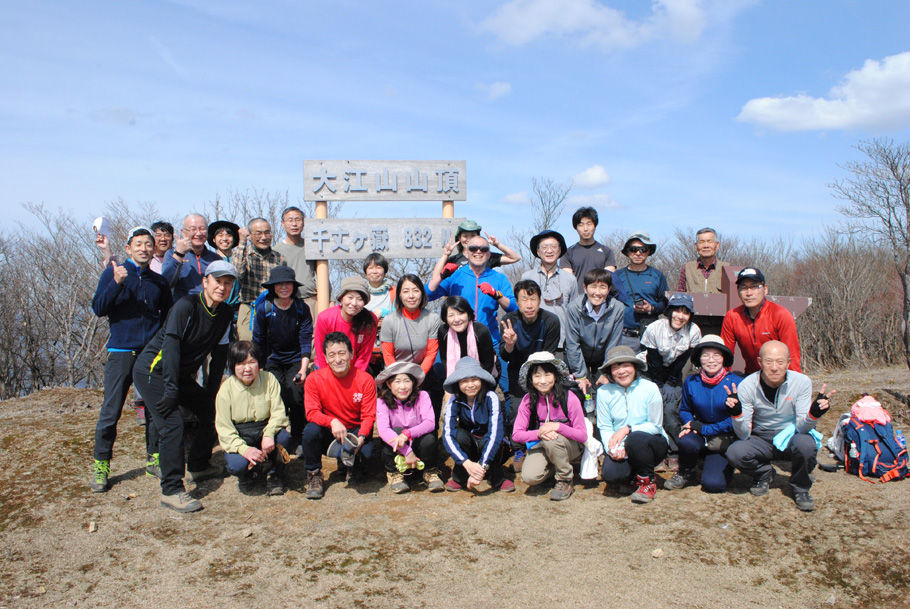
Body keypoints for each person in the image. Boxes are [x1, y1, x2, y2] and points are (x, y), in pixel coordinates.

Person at [133, 260, 237, 513]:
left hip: (178, 374)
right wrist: (170, 391)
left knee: (209, 410)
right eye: (217, 282)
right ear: (205, 282)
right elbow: (169, 349)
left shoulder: (224, 314)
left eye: (227, 283)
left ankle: (199, 465)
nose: (222, 288)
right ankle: (171, 489)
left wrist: (212, 395)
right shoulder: (186, 306)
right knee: (172, 424)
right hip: (152, 371)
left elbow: (220, 355)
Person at [89, 227, 172, 492]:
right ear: (128, 248)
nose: (144, 249)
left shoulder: (158, 282)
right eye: (138, 244)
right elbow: (99, 308)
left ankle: (154, 458)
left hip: (149, 353)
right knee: (111, 410)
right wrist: (115, 282)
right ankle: (101, 464)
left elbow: (168, 317)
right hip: (121, 351)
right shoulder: (114, 273)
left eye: (148, 244)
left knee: (153, 408)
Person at [724, 341, 832, 511]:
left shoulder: (802, 382)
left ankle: (800, 488)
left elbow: (803, 428)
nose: (774, 367)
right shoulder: (747, 385)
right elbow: (744, 435)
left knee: (806, 444)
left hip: (791, 435)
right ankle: (764, 473)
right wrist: (737, 415)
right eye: (769, 362)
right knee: (735, 452)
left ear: (788, 363)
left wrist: (814, 414)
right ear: (759, 362)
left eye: (780, 362)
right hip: (761, 437)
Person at [428, 234, 517, 398]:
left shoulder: (498, 278)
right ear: (466, 253)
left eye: (483, 249)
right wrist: (444, 259)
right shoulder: (456, 275)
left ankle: (500, 421)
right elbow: (429, 293)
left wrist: (496, 294)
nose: (478, 252)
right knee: (440, 377)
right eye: (473, 249)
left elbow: (513, 307)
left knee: (503, 384)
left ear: (489, 254)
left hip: (490, 339)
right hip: (457, 339)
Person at [302, 332, 377, 500]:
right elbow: (311, 412)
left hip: (354, 431)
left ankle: (350, 465)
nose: (338, 359)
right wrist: (332, 421)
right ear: (326, 358)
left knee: (368, 453)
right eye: (332, 355)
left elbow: (369, 415)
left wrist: (362, 437)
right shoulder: (314, 379)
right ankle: (314, 474)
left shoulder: (365, 379)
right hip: (330, 431)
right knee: (310, 431)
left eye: (342, 353)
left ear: (351, 354)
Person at [664, 335, 742, 493]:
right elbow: (686, 409)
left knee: (713, 485)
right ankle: (686, 471)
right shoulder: (692, 381)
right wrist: (690, 423)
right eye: (705, 355)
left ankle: (718, 466)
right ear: (699, 359)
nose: (711, 360)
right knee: (686, 442)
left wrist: (706, 429)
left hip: (723, 436)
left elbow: (737, 419)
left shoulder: (736, 382)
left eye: (716, 355)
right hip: (699, 432)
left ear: (724, 358)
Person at [215, 341, 293, 496]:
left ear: (259, 363)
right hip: (241, 434)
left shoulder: (269, 379)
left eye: (252, 362)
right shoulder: (226, 390)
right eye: (241, 364)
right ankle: (247, 474)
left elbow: (278, 412)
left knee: (284, 438)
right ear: (233, 366)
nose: (247, 369)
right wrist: (245, 449)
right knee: (236, 464)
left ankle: (274, 473)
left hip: (265, 428)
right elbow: (224, 428)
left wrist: (269, 434)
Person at [252, 265, 313, 454]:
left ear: (294, 286)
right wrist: (260, 368)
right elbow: (258, 341)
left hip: (296, 359)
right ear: (273, 286)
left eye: (288, 283)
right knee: (276, 395)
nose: (284, 287)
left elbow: (305, 340)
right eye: (279, 284)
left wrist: (303, 369)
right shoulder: (265, 309)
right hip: (272, 360)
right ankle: (276, 438)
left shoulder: (301, 308)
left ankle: (299, 438)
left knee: (296, 394)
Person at [597, 346, 668, 504]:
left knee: (635, 439)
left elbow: (655, 425)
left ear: (635, 367)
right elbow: (605, 426)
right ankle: (633, 476)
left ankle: (647, 482)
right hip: (622, 446)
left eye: (626, 365)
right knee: (611, 475)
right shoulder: (603, 392)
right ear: (610, 371)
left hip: (651, 443)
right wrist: (614, 448)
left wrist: (627, 429)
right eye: (616, 367)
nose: (621, 371)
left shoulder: (650, 388)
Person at [511, 352, 587, 501]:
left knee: (552, 440)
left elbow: (582, 435)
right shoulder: (528, 400)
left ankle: (565, 479)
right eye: (537, 376)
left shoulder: (569, 397)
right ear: (530, 379)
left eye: (547, 374)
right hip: (543, 443)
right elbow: (516, 435)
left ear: (556, 376)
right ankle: (557, 465)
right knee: (530, 477)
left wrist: (558, 426)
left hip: (570, 445)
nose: (543, 381)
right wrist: (540, 432)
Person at [640, 292, 702, 471]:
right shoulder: (654, 328)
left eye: (685, 312)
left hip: (676, 370)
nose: (680, 316)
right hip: (652, 370)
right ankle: (656, 454)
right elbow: (652, 359)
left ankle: (673, 451)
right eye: (676, 310)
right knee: (654, 407)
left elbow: (685, 359)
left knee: (671, 408)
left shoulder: (694, 331)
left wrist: (673, 381)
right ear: (669, 311)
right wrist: (658, 384)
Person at [499, 279, 561, 444]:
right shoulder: (509, 321)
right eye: (524, 300)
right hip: (517, 371)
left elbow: (549, 355)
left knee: (544, 407)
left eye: (533, 299)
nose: (529, 305)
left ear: (539, 301)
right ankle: (518, 448)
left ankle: (543, 444)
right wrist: (510, 344)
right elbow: (505, 356)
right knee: (516, 411)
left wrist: (539, 379)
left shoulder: (551, 321)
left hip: (543, 372)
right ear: (517, 302)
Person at [441, 357, 511, 492]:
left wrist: (482, 467)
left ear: (482, 380)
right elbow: (447, 435)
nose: (470, 385)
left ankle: (496, 477)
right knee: (458, 435)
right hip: (469, 446)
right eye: (464, 381)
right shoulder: (454, 400)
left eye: (474, 379)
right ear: (458, 384)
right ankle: (460, 476)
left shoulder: (491, 397)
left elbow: (496, 433)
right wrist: (465, 463)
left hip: (489, 444)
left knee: (494, 439)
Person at [375, 361, 444, 493]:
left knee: (429, 438)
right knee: (392, 435)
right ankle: (394, 473)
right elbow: (383, 430)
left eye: (407, 381)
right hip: (399, 448)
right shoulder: (382, 401)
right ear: (389, 384)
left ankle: (429, 470)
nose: (403, 386)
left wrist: (407, 433)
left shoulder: (423, 396)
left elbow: (430, 422)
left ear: (413, 383)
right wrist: (407, 451)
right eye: (397, 381)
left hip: (417, 443)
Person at [721, 267, 801, 375]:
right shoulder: (732, 316)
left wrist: (792, 385)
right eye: (743, 288)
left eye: (754, 287)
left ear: (765, 289)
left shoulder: (780, 314)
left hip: (777, 376)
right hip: (751, 376)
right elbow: (725, 356)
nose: (749, 293)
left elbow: (792, 355)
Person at [564, 269, 625, 402]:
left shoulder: (618, 309)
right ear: (585, 288)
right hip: (579, 357)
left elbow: (614, 343)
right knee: (580, 394)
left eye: (603, 287)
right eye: (593, 287)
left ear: (609, 289)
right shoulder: (574, 308)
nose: (597, 293)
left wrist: (606, 373)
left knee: (604, 394)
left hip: (603, 357)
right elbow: (573, 343)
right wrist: (580, 375)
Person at [612, 232, 669, 351]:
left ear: (648, 252)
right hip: (623, 336)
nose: (638, 253)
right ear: (627, 252)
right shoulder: (617, 276)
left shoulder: (657, 275)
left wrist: (651, 308)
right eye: (633, 249)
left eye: (643, 249)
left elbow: (666, 304)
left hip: (651, 335)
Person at [521, 229, 577, 350]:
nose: (549, 250)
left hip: (561, 343)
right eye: (545, 247)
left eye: (554, 246)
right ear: (538, 251)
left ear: (560, 250)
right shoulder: (527, 277)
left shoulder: (570, 279)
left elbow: (574, 313)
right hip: (532, 341)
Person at [232, 217, 286, 341]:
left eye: (267, 232)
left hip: (273, 308)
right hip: (250, 308)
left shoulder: (279, 257)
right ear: (250, 236)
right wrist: (242, 242)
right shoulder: (242, 253)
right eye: (259, 233)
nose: (264, 237)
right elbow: (237, 273)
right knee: (248, 349)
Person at [313, 276, 378, 371]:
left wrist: (354, 376)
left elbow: (364, 354)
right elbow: (320, 351)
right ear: (341, 299)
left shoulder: (370, 321)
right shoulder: (325, 318)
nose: (354, 303)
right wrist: (328, 376)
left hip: (353, 368)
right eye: (350, 297)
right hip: (326, 366)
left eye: (359, 299)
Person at [436, 296, 497, 386]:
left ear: (468, 314)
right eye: (451, 315)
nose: (456, 319)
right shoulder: (443, 331)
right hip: (456, 374)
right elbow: (445, 359)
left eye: (461, 313)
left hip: (484, 371)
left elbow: (488, 363)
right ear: (445, 318)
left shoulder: (481, 330)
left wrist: (476, 384)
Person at [160, 213, 221, 300]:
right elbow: (166, 283)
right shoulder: (171, 254)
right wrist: (179, 255)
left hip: (208, 309)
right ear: (183, 233)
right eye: (193, 229)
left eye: (202, 229)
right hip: (182, 308)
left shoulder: (215, 258)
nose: (198, 233)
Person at [273, 206, 318, 321]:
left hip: (311, 300)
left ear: (303, 223)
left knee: (312, 336)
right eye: (290, 220)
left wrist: (330, 300)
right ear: (283, 224)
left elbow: (323, 274)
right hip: (286, 302)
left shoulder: (312, 246)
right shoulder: (275, 251)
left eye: (298, 220)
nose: (294, 224)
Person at [559, 206, 616, 292]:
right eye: (581, 225)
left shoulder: (607, 252)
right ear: (576, 228)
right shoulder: (567, 253)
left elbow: (607, 278)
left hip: (600, 298)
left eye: (589, 224)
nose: (585, 229)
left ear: (595, 226)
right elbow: (568, 281)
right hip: (577, 301)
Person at [440, 219, 520, 277]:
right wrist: (445, 255)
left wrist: (497, 244)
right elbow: (437, 277)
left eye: (473, 235)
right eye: (465, 236)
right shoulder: (453, 260)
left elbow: (515, 258)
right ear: (459, 238)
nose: (469, 239)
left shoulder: (486, 256)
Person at [363, 252, 395, 374]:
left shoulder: (393, 291)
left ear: (385, 270)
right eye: (370, 268)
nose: (374, 271)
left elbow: (399, 312)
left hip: (388, 341)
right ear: (366, 272)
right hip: (365, 341)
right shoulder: (360, 291)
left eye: (378, 267)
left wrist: (383, 311)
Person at [676, 227, 727, 293]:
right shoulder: (687, 268)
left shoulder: (727, 268)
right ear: (696, 246)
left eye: (709, 241)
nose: (706, 245)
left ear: (717, 245)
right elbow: (680, 295)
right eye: (702, 242)